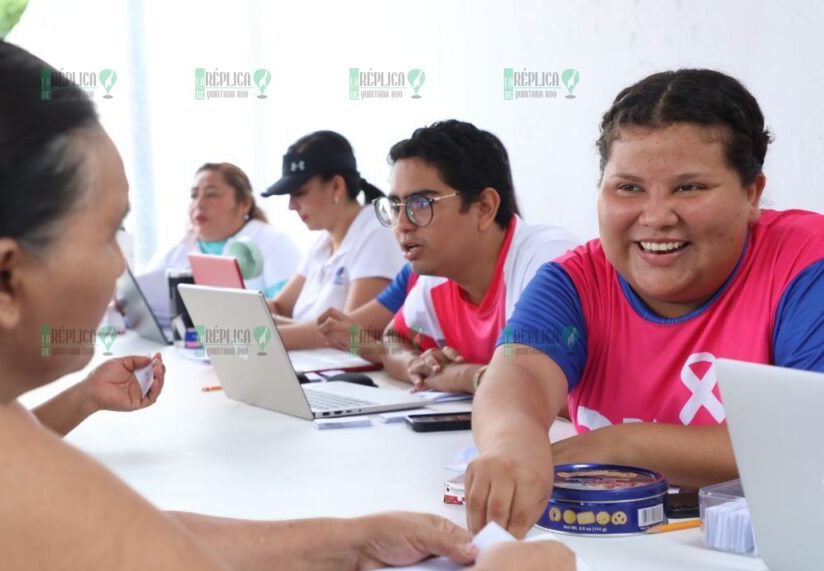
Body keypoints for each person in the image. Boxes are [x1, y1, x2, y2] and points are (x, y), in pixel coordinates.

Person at [0, 36, 577, 571]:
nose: (119, 269)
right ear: (5, 277)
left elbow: (117, 542)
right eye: (110, 232)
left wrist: (354, 541)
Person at [465, 68, 824, 538]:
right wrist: (511, 444)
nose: (656, 217)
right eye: (628, 187)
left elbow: (805, 440)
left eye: (689, 187)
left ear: (752, 193)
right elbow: (520, 373)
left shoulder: (804, 264)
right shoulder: (575, 281)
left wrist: (619, 444)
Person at [318, 120, 578, 393]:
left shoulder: (547, 263)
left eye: (421, 204)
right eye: (395, 206)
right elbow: (393, 338)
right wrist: (417, 365)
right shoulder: (439, 276)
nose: (402, 224)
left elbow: (543, 389)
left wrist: (462, 375)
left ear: (484, 208)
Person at [261, 131, 406, 349]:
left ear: (337, 186)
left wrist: (256, 336)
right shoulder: (322, 242)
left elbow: (347, 335)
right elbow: (280, 307)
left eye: (299, 192)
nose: (291, 205)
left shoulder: (377, 235)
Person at [138, 162, 301, 326]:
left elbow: (287, 311)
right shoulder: (177, 249)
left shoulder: (274, 243)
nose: (199, 204)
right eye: (194, 195)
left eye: (211, 194)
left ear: (245, 203)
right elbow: (141, 301)